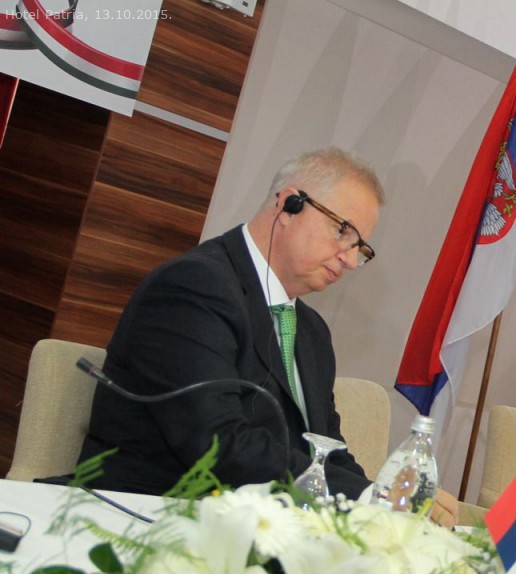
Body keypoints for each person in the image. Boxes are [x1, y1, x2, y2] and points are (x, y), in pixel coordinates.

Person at [78, 148, 458, 526]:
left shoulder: (312, 331)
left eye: (360, 248)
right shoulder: (193, 287)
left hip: (260, 526)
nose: (349, 259)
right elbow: (217, 442)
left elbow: (327, 454)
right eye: (343, 232)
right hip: (146, 517)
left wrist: (384, 504)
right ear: (289, 205)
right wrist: (366, 498)